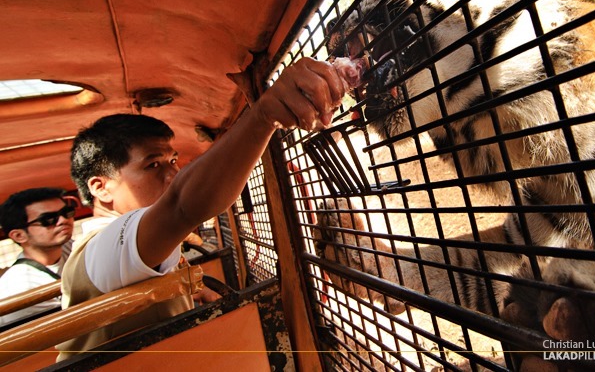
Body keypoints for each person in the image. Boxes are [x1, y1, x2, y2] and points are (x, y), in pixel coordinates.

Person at [57, 57, 343, 359]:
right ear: (101, 188)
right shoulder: (99, 251)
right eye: (152, 165)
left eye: (172, 161)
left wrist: (188, 291)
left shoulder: (133, 252)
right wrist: (264, 115)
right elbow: (180, 208)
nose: (173, 174)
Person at [0, 187, 75, 327]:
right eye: (48, 219)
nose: (63, 220)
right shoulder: (20, 287)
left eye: (66, 212)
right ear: (19, 235)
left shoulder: (71, 247)